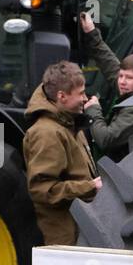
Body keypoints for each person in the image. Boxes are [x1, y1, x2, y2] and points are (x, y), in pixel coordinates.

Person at [24, 60, 101, 246]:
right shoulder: (47, 133)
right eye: (81, 93)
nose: (85, 98)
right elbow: (43, 190)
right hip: (63, 238)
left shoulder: (69, 124)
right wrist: (90, 187)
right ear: (62, 96)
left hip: (78, 229)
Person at [77, 12, 133, 158]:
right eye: (121, 76)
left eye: (129, 78)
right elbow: (110, 65)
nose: (122, 81)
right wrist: (92, 33)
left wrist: (93, 110)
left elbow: (106, 139)